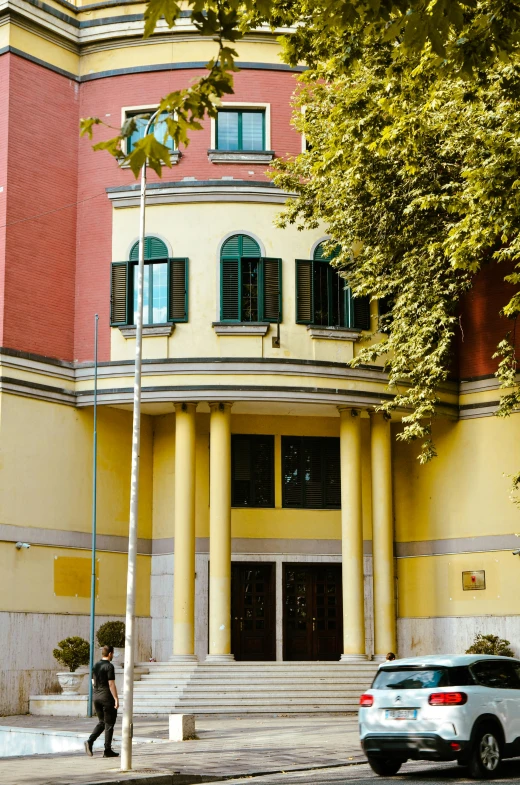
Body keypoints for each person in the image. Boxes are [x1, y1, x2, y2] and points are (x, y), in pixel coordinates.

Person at [84, 644, 119, 758]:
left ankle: (90, 741)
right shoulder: (109, 666)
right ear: (110, 654)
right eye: (112, 654)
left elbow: (93, 682)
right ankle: (107, 750)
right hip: (106, 698)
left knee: (102, 722)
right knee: (109, 724)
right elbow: (111, 684)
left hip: (96, 697)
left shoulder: (96, 666)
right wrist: (116, 698)